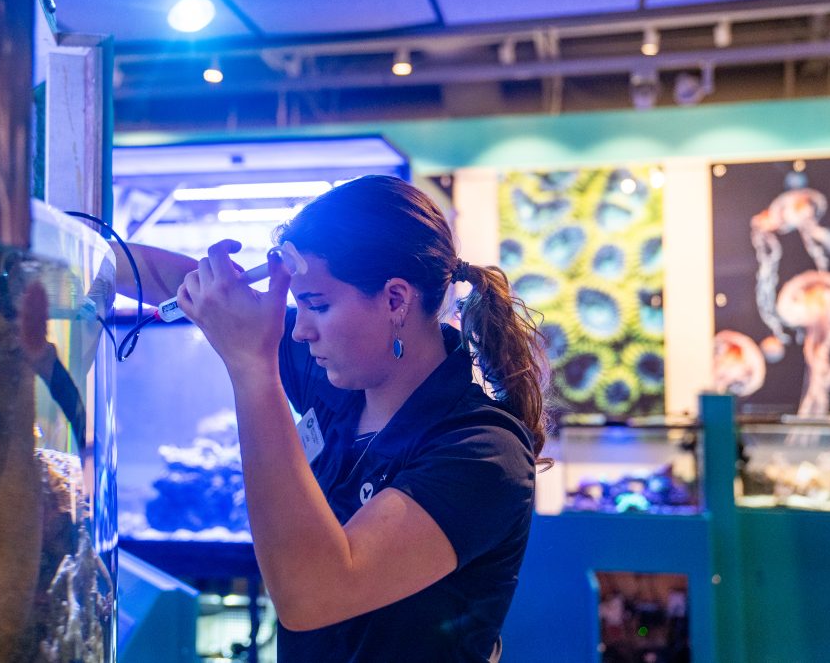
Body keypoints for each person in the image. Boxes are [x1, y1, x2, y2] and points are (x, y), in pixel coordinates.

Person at [114, 175, 549, 662]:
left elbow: (312, 596)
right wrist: (77, 252)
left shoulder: (482, 450)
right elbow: (175, 283)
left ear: (395, 300)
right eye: (298, 305)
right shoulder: (342, 387)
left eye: (317, 305)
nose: (299, 331)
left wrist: (252, 369)